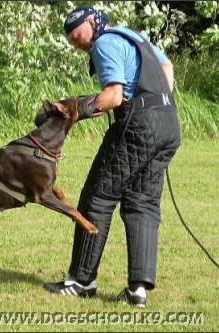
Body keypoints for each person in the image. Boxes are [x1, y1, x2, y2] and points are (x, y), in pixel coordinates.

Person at [38, 5, 181, 308]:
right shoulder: (131, 36)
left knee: (97, 198)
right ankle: (138, 290)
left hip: (138, 124)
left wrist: (70, 110)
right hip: (168, 123)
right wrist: (158, 103)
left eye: (76, 35)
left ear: (91, 22)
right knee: (142, 202)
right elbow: (167, 66)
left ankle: (81, 281)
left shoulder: (104, 42)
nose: (75, 42)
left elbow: (113, 96)